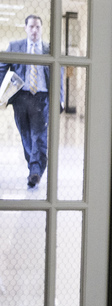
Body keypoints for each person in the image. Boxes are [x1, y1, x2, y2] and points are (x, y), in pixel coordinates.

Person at [0, 14, 64, 188]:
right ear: (25, 28)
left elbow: (59, 74)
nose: (35, 30)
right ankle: (33, 167)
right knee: (26, 136)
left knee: (39, 136)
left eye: (38, 27)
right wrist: (2, 92)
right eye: (31, 27)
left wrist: (60, 99)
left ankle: (35, 172)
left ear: (41, 29)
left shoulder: (49, 48)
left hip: (41, 98)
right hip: (20, 97)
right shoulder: (15, 46)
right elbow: (2, 66)